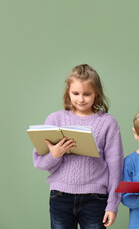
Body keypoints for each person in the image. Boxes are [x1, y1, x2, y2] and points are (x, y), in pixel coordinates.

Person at [33, 64, 124, 228]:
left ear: (96, 93)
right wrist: (55, 154)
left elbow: (116, 166)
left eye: (87, 94)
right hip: (60, 197)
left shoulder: (108, 123)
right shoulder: (55, 120)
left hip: (95, 198)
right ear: (68, 91)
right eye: (75, 93)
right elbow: (39, 162)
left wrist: (113, 204)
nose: (81, 99)